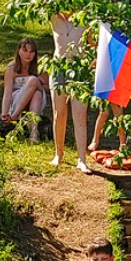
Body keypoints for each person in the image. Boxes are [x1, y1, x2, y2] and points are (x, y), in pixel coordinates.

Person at [48, 12, 91, 173]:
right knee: (59, 114)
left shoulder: (85, 18)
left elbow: (93, 43)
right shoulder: (53, 18)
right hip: (58, 68)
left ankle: (82, 159)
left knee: (80, 116)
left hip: (79, 69)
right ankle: (58, 154)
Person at [0, 38, 47, 141]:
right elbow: (7, 93)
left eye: (31, 52)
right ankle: (19, 119)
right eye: (25, 51)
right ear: (19, 51)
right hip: (17, 99)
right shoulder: (12, 68)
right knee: (35, 84)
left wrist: (38, 82)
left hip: (37, 101)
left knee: (37, 90)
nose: (28, 55)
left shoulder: (39, 67)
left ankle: (33, 133)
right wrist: (4, 112)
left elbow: (47, 89)